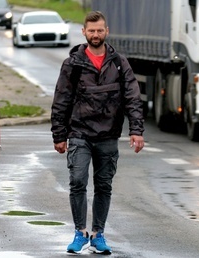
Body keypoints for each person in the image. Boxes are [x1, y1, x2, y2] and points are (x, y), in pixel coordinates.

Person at [50, 11, 145, 255]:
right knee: (78, 182)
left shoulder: (119, 63)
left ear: (107, 31)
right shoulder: (73, 64)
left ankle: (98, 234)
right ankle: (79, 233)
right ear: (84, 32)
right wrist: (59, 135)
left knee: (104, 186)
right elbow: (61, 99)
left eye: (99, 30)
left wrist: (136, 130)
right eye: (91, 30)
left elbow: (133, 98)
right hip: (80, 134)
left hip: (108, 136)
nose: (95, 34)